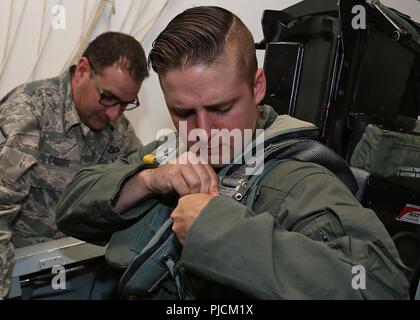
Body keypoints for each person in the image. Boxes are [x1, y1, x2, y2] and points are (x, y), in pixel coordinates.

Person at [56, 7, 410, 299]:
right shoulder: (170, 155)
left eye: (221, 107)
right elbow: (71, 208)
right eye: (182, 112)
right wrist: (148, 180)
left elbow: (382, 288)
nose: (203, 132)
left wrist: (214, 230)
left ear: (257, 87)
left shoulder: (299, 181)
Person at [0, 32, 148, 298]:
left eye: (126, 104)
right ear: (82, 70)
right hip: (22, 275)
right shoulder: (31, 109)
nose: (115, 114)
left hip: (87, 270)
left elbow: (139, 197)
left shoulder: (119, 132)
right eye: (108, 97)